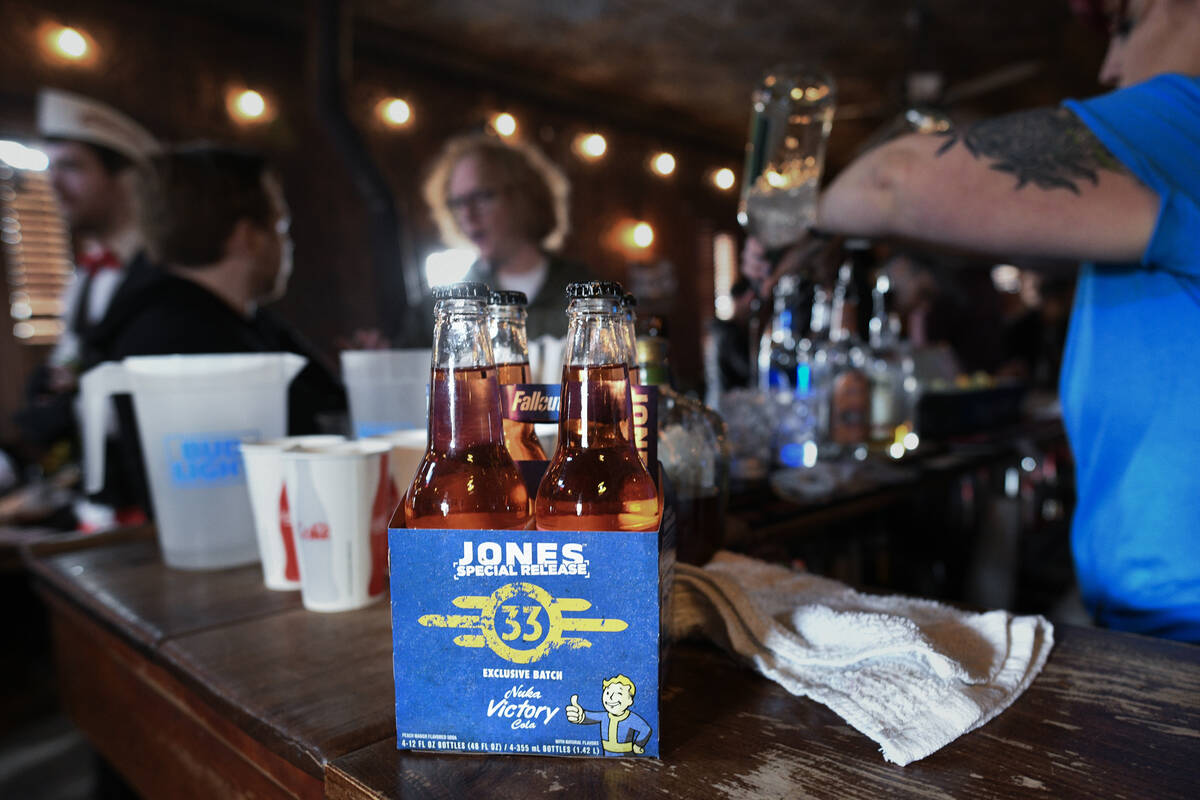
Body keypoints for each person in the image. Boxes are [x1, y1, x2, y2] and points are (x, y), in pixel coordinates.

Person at [771, 0, 1199, 641]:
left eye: (1126, 28)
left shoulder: (1184, 116)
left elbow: (895, 179)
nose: (1109, 68)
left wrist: (795, 216)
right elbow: (1018, 232)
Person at [88, 145, 347, 511]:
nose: (287, 244)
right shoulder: (172, 336)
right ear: (248, 236)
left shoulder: (244, 321)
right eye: (281, 226)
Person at [15, 90, 160, 455]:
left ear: (124, 177)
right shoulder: (85, 276)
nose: (54, 185)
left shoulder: (161, 274)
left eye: (72, 167)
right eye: (51, 169)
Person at [423, 133, 593, 339]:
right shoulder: (451, 303)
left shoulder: (584, 291)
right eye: (458, 203)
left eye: (482, 197)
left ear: (524, 197)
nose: (467, 215)